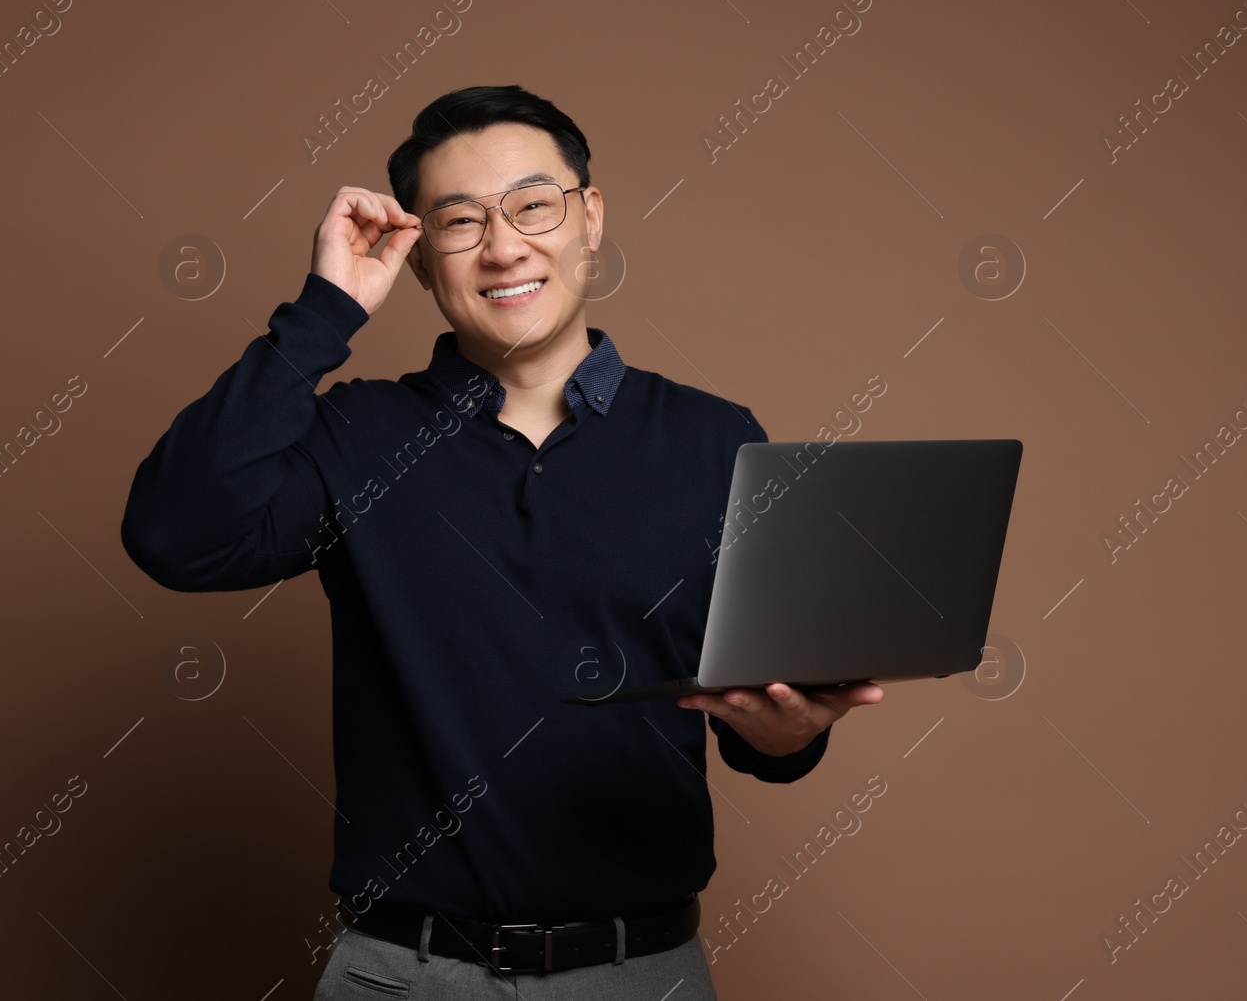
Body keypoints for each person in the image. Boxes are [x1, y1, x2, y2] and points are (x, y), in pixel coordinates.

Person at [119, 84, 883, 999]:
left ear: (590, 217)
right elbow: (175, 535)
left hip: (640, 974)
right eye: (459, 222)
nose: (505, 246)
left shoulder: (716, 440)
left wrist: (790, 735)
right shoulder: (357, 436)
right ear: (418, 261)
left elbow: (763, 728)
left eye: (533, 205)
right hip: (401, 974)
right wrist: (324, 311)